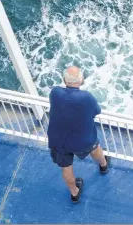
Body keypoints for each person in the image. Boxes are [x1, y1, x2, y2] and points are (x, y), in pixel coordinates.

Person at [47, 66, 109, 203]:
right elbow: (97, 111)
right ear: (81, 80)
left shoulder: (55, 92)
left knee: (66, 167)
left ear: (64, 80)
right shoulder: (86, 97)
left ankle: (75, 193)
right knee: (95, 149)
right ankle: (103, 165)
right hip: (82, 140)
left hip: (58, 139)